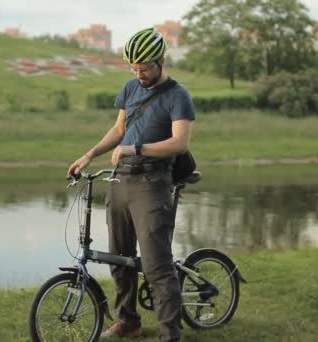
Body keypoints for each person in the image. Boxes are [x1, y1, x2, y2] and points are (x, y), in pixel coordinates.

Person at [67, 27, 195, 341]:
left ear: (161, 61)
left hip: (153, 182)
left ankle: (170, 334)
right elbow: (119, 129)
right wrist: (89, 155)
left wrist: (135, 149)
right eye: (134, 68)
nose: (139, 73)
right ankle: (128, 321)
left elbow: (179, 143)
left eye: (145, 68)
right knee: (119, 258)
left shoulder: (178, 95)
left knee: (156, 266)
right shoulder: (129, 88)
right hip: (121, 179)